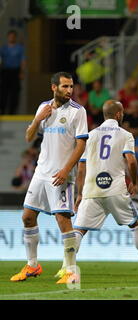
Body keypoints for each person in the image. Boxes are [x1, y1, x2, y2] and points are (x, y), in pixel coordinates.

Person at [57, 100, 138, 279]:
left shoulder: (89, 136)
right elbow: (131, 161)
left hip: (92, 190)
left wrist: (79, 194)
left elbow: (81, 168)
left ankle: (66, 267)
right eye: (122, 112)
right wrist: (134, 181)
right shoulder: (125, 135)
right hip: (115, 189)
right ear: (118, 114)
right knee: (135, 225)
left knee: (79, 230)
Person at [10, 72, 88, 284]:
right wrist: (37, 119)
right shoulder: (43, 107)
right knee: (27, 216)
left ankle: (71, 270)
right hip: (41, 173)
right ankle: (33, 265)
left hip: (61, 174)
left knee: (63, 219)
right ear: (54, 87)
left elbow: (81, 145)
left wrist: (65, 170)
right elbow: (28, 137)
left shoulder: (77, 111)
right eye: (65, 86)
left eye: (71, 86)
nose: (69, 90)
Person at [0, 30, 26, 114]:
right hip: (5, 71)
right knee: (4, 91)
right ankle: (2, 110)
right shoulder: (3, 48)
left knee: (14, 92)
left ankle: (12, 112)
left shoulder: (19, 48)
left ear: (15, 37)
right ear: (8, 37)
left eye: (13, 36)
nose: (11, 38)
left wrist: (22, 72)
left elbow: (22, 60)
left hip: (15, 71)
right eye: (10, 36)